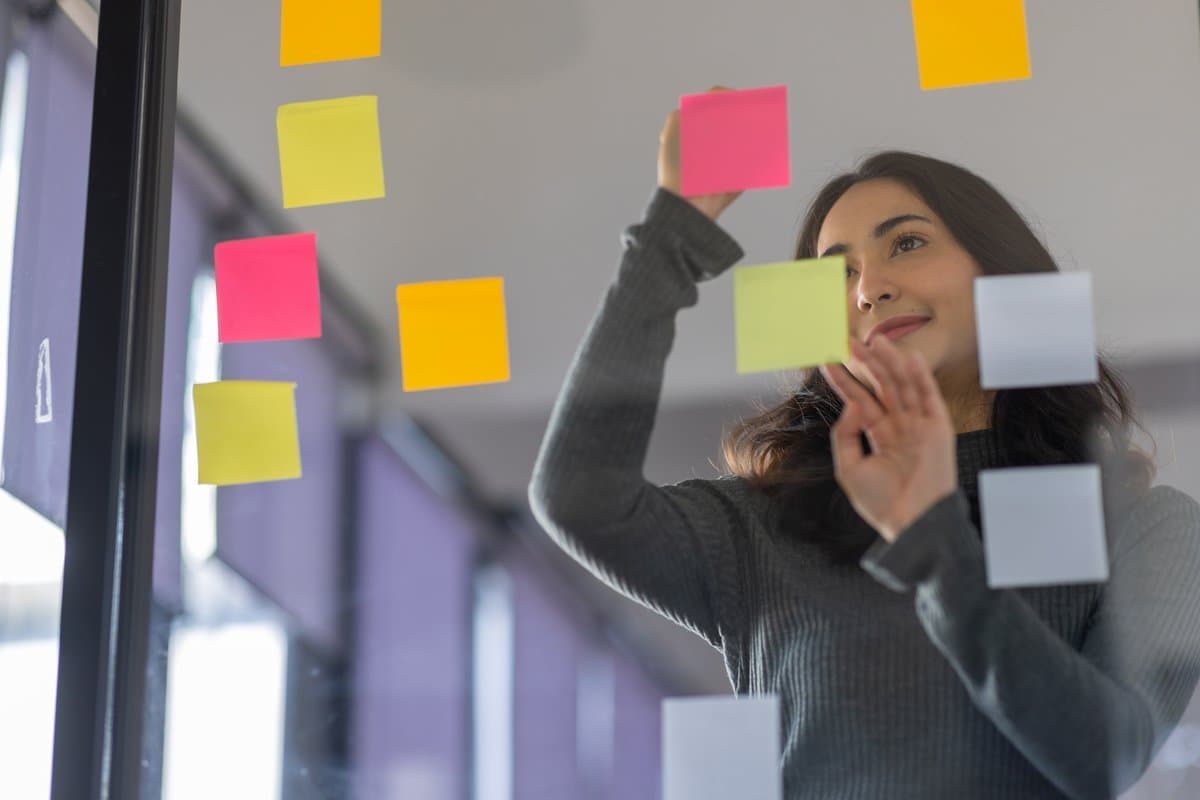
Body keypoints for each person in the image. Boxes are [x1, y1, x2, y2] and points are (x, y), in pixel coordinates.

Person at [527, 90, 1200, 799]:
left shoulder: (1147, 527)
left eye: (906, 243)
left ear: (999, 271)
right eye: (838, 273)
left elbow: (1104, 757)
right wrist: (674, 232)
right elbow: (579, 499)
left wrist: (932, 538)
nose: (868, 289)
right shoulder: (763, 529)